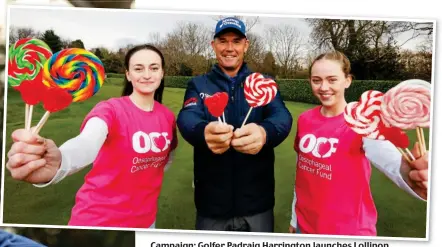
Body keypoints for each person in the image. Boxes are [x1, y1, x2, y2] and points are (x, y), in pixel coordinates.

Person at [6, 44, 178, 229]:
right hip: (97, 223)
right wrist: (62, 161)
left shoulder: (167, 117)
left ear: (162, 73)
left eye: (154, 68)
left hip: (146, 223)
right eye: (138, 68)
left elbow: (166, 158)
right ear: (128, 74)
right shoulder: (110, 109)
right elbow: (88, 142)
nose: (146, 75)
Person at [289, 51, 429, 235]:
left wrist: (411, 177)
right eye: (316, 80)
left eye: (332, 79)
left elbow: (393, 165)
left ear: (347, 80)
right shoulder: (305, 119)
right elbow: (303, 173)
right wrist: (294, 218)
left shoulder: (362, 121)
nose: (323, 87)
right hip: (304, 227)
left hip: (348, 231)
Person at [177, 17, 293, 232]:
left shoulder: (263, 83)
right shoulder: (198, 83)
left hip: (257, 203)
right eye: (223, 41)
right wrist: (203, 132)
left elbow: (281, 116)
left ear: (246, 45)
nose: (229, 48)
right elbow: (187, 117)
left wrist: (264, 133)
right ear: (213, 45)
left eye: (236, 41)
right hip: (211, 203)